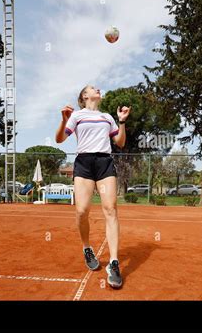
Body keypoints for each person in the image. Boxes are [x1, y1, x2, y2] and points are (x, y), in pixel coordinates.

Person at [55, 85, 131, 289]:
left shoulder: (107, 117)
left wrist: (122, 122)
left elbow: (120, 142)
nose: (97, 89)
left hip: (105, 162)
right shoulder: (77, 115)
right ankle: (87, 248)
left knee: (110, 209)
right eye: (92, 88)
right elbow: (60, 139)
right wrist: (64, 120)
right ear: (84, 96)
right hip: (84, 163)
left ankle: (114, 263)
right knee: (81, 211)